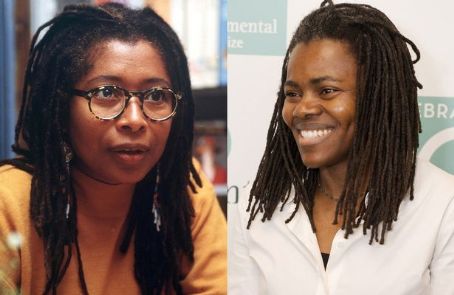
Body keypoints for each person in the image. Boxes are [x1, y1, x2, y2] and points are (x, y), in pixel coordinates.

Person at [229, 1, 454, 294]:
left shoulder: (442, 205)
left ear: (377, 94)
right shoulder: (255, 207)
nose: (302, 109)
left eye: (327, 91)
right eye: (293, 93)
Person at [0, 3, 226, 295]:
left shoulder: (180, 187)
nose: (135, 120)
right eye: (106, 93)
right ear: (60, 107)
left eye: (156, 95)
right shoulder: (8, 203)